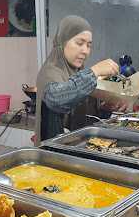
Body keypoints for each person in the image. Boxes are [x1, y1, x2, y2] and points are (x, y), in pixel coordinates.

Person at [35, 15, 121, 144]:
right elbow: (57, 99)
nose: (85, 51)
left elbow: (84, 119)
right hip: (53, 154)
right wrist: (94, 72)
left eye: (89, 45)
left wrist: (105, 110)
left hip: (76, 148)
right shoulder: (50, 71)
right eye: (79, 43)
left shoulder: (79, 72)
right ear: (62, 42)